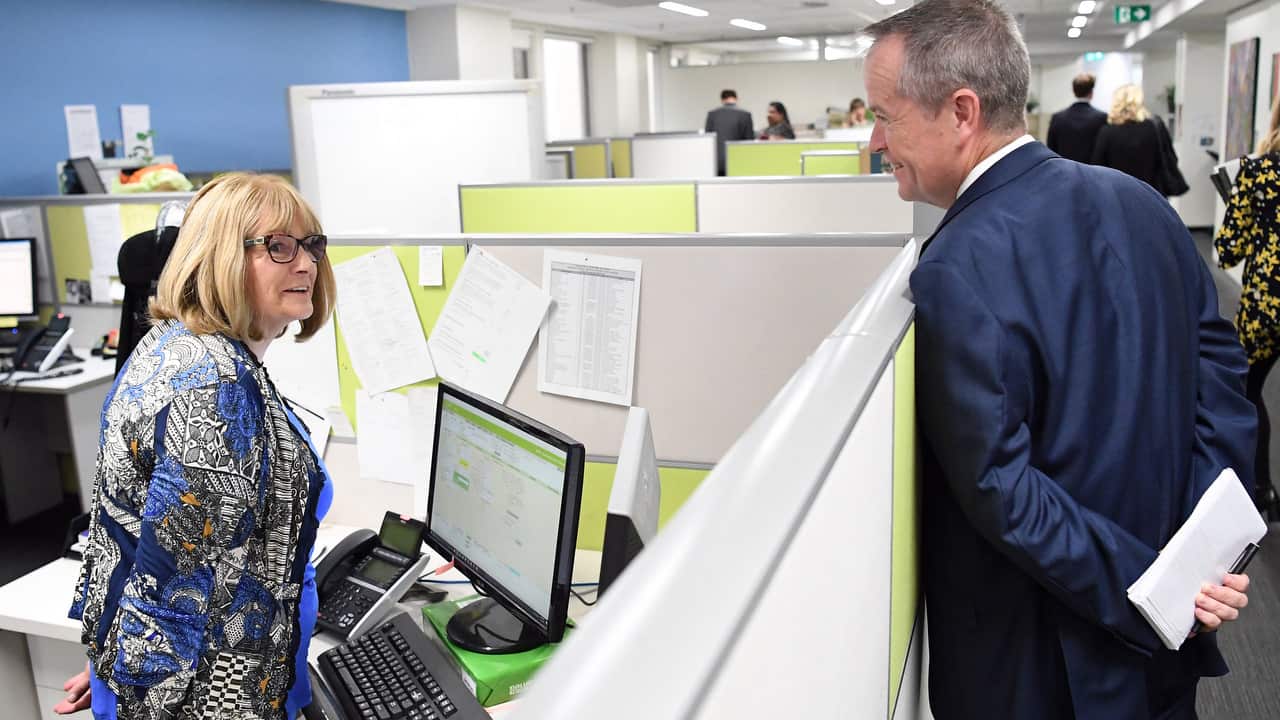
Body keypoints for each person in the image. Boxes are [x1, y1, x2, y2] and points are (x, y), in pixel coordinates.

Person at [862, 0, 1256, 717]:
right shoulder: (1144, 206)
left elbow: (999, 487)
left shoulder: (954, 266)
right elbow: (1225, 388)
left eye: (884, 116)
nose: (874, 142)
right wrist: (1195, 565)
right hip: (1164, 647)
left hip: (1044, 667)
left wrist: (1156, 591)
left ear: (961, 111)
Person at [57, 173, 337, 720]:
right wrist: (141, 687)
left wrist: (113, 659)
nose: (306, 264)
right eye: (278, 247)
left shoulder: (177, 343)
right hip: (214, 699)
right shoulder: (213, 387)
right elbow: (173, 590)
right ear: (220, 257)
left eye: (312, 245)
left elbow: (139, 542)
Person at [1215, 95, 1280, 521]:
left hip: (1267, 308)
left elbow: (1227, 251)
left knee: (1249, 393)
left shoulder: (1257, 173)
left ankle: (1260, 491)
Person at [1091, 84, 1165, 191]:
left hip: (1116, 192)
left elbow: (1097, 165)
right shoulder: (1151, 127)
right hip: (1146, 191)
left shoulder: (1107, 131)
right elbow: (1159, 163)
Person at [1045, 73, 1107, 163]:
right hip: (1090, 172)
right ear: (1091, 93)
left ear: (1074, 92)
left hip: (1064, 170)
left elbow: (1051, 149)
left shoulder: (1058, 117)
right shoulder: (1101, 118)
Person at [704, 88, 754, 176]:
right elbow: (749, 141)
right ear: (736, 98)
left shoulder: (712, 115)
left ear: (722, 99)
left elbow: (707, 140)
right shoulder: (745, 115)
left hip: (715, 164)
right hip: (738, 163)